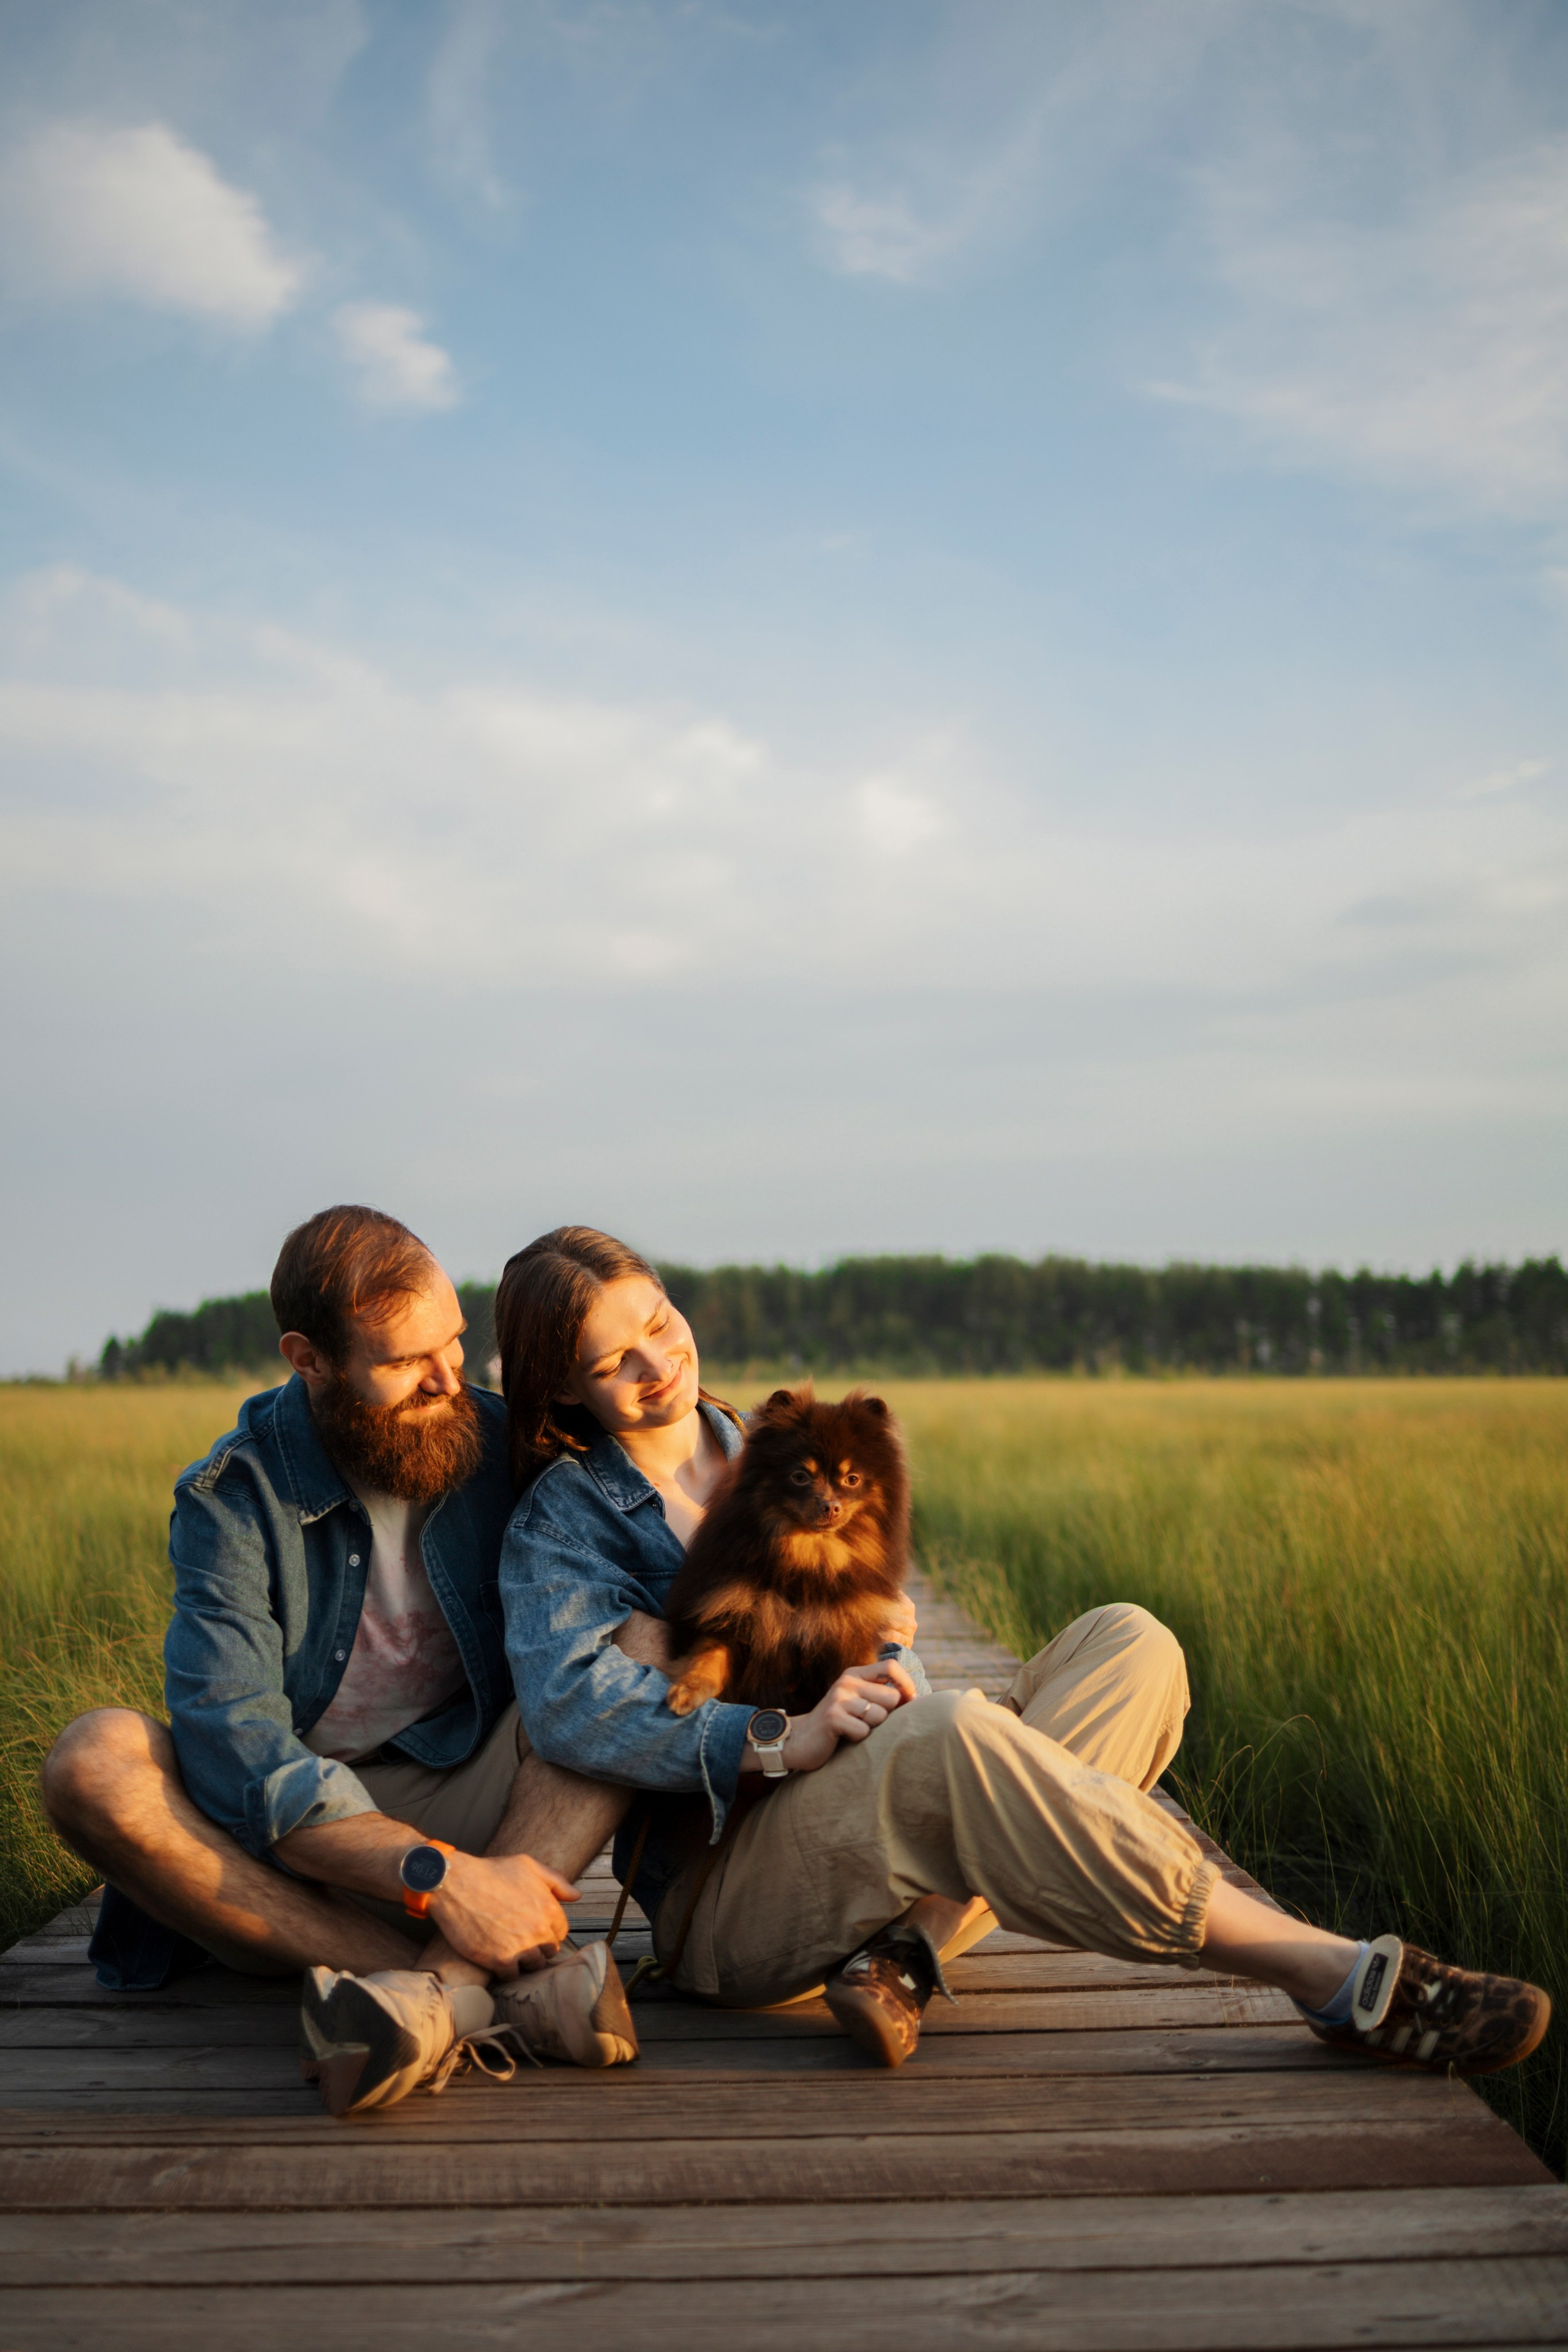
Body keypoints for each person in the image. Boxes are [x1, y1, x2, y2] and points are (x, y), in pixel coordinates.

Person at [498, 1224, 1551, 2076]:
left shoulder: (765, 1443)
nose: (658, 1362)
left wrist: (890, 1646)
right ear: (564, 1389)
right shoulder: (567, 1519)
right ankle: (1332, 1975)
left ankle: (911, 1948)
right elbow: (568, 1707)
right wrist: (778, 1735)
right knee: (952, 1735)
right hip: (737, 1898)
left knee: (1132, 1643)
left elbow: (876, 1606)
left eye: (659, 1321)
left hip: (872, 1822)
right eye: (613, 1360)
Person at [40, 1204, 641, 2120]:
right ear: (310, 1360)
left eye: (454, 1341)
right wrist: (441, 1880)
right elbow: (235, 1748)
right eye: (405, 1362)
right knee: (92, 1763)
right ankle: (487, 1990)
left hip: (471, 1797)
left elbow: (664, 1503)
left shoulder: (500, 1439)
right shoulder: (232, 1499)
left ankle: (435, 1997)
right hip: (293, 1858)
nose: (449, 1378)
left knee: (641, 1648)